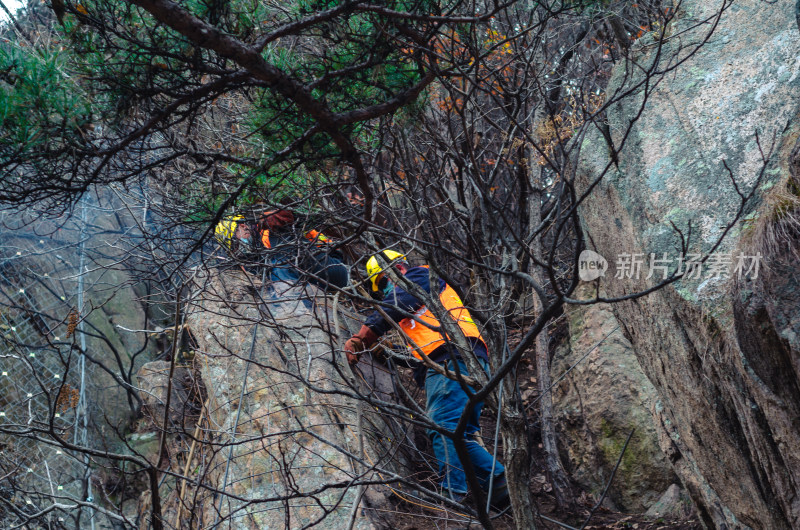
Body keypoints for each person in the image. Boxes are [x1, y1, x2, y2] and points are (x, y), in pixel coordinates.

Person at [344, 250, 508, 508]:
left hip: (453, 360)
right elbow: (425, 351)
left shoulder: (421, 276)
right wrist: (390, 355)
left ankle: (452, 495)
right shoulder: (424, 303)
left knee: (443, 426)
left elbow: (398, 303)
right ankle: (499, 484)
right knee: (459, 432)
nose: (386, 292)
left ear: (396, 270)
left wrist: (362, 337)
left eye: (384, 284)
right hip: (463, 361)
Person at [214, 208, 349, 289]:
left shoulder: (270, 227)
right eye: (233, 247)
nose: (237, 247)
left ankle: (291, 303)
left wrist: (279, 216)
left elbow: (306, 213)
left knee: (277, 261)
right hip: (317, 278)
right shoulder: (254, 251)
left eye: (234, 242)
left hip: (333, 264)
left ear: (243, 227)